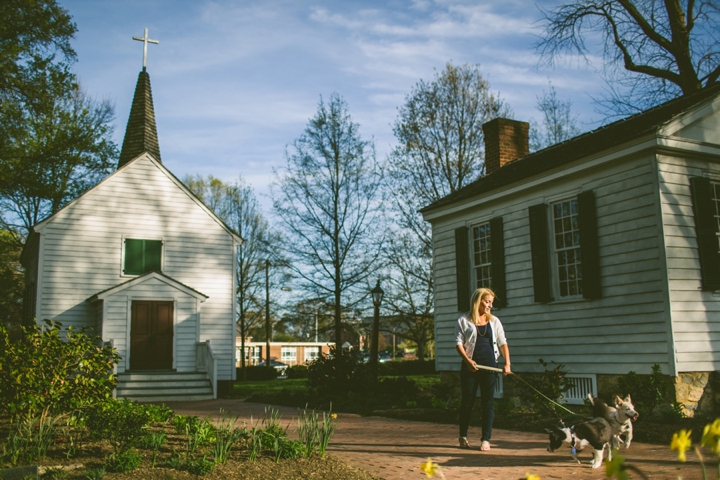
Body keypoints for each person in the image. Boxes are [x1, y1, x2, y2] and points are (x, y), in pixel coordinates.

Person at [455, 287, 511, 451]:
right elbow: (458, 343)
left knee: (488, 403)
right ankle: (463, 436)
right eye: (487, 302)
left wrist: (507, 363)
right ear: (477, 301)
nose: (489, 306)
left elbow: (502, 343)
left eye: (491, 303)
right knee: (468, 402)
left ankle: (485, 439)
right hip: (470, 367)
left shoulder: (494, 321)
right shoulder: (463, 321)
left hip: (489, 367)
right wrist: (467, 361)